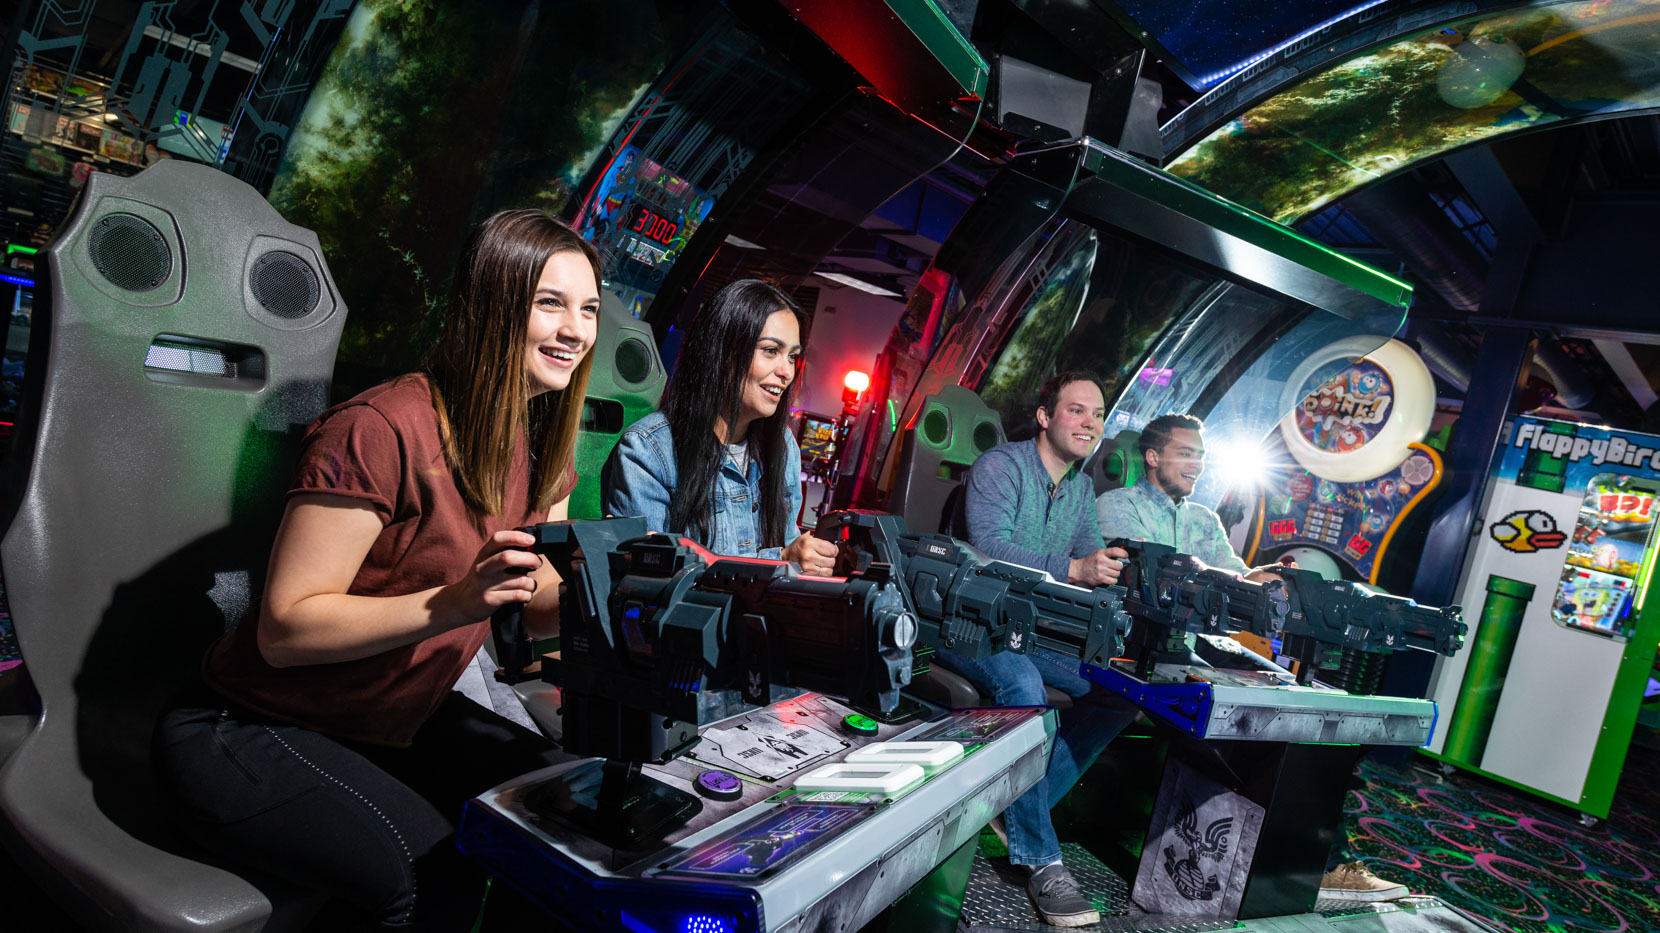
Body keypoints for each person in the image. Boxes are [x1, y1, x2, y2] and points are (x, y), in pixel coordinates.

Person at [153, 210, 600, 930]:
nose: (575, 330)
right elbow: (285, 629)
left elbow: (530, 599)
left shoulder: (539, 444)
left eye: (588, 308)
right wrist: (454, 601)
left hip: (391, 718)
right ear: (491, 306)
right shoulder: (381, 426)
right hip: (249, 726)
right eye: (549, 303)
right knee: (432, 876)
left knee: (562, 821)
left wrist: (606, 600)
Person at [1095, 412, 1408, 903]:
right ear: (1153, 456)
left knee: (1307, 710)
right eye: (1186, 452)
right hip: (1145, 649)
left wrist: (1268, 577)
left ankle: (1319, 862)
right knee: (1257, 722)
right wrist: (1230, 586)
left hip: (1207, 649)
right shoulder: (1118, 505)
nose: (1197, 463)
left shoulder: (1202, 518)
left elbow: (1236, 579)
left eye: (1201, 454)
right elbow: (1152, 581)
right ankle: (1295, 863)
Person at [943, 370, 1141, 927]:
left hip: (1033, 631)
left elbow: (1088, 558)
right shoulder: (1001, 467)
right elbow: (987, 548)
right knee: (1024, 687)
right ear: (1045, 415)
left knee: (1119, 695)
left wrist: (1108, 571)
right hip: (970, 623)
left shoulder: (1080, 487)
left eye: (1098, 414)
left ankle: (1016, 813)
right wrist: (1076, 568)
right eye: (1077, 410)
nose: (1089, 424)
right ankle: (1041, 858)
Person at [603, 278, 836, 575]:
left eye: (792, 356)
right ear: (723, 352)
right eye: (770, 351)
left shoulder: (783, 445)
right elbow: (649, 576)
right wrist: (780, 560)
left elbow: (789, 549)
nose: (786, 371)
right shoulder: (648, 450)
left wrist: (810, 561)